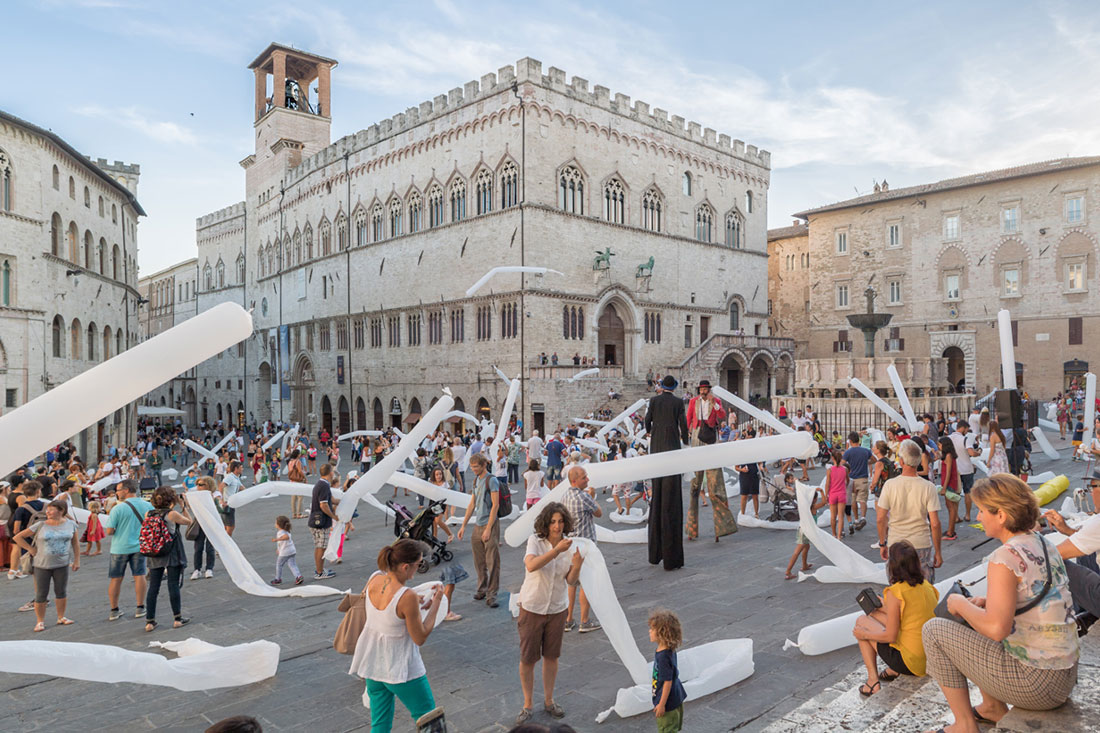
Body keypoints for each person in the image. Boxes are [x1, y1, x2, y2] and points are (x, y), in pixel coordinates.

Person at [922, 474, 1078, 730]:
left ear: (1002, 515)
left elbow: (997, 629)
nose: (978, 517)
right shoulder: (1042, 542)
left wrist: (960, 604)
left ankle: (964, 724)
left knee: (934, 630)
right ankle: (992, 707)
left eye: (983, 510)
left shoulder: (1004, 556)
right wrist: (984, 603)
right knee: (974, 614)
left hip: (1037, 683)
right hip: (1064, 676)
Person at [349, 539, 446, 733]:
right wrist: (436, 604)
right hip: (401, 667)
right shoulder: (406, 596)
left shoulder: (375, 578)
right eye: (418, 565)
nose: (418, 570)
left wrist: (415, 600)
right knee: (428, 718)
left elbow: (388, 607)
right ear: (405, 566)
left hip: (373, 664)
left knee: (380, 724)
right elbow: (420, 637)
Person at [514, 502, 585, 725]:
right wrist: (556, 551)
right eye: (553, 521)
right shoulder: (536, 540)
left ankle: (549, 700)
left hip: (556, 607)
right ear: (546, 522)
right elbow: (531, 565)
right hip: (532, 606)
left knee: (552, 656)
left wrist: (577, 565)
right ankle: (527, 704)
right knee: (528, 657)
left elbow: (571, 581)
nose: (557, 526)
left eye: (561, 521)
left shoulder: (570, 546)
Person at [851, 541, 939, 696]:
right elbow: (910, 619)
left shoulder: (895, 592)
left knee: (861, 623)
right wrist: (884, 608)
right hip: (929, 659)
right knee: (874, 614)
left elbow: (890, 635)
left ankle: (872, 681)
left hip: (910, 662)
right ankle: (892, 670)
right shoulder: (928, 587)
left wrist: (863, 635)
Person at [876, 439, 943, 581]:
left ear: (901, 461)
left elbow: (881, 518)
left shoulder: (890, 485)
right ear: (918, 462)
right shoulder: (928, 487)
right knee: (923, 589)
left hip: (896, 543)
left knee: (898, 588)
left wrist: (883, 543)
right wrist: (938, 551)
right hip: (921, 542)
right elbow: (935, 523)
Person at [12, 499, 79, 632]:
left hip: (62, 563)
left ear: (61, 511)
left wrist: (77, 560)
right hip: (42, 565)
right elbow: (17, 537)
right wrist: (30, 550)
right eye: (47, 509)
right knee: (41, 594)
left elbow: (75, 543)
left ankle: (61, 617)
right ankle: (40, 621)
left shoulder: (71, 524)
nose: (47, 512)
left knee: (61, 591)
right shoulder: (41, 525)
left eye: (51, 509)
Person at [644, 375, 689, 570]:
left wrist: (649, 432)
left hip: (656, 449)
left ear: (662, 386)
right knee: (672, 499)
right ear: (675, 386)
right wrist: (686, 442)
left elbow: (647, 421)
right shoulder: (678, 402)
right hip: (672, 448)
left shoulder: (654, 401)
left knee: (657, 497)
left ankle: (655, 554)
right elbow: (684, 425)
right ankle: (672, 558)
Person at [685, 380, 736, 542]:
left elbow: (722, 416)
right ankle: (692, 529)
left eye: (705, 389)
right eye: (701, 389)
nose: (703, 391)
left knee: (715, 482)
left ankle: (721, 528)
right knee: (695, 481)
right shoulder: (693, 402)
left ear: (709, 390)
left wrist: (715, 405)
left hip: (710, 436)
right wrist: (687, 432)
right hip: (696, 434)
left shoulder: (716, 401)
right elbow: (689, 417)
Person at [143, 487, 192, 632]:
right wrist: (182, 505)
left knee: (153, 587)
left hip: (154, 552)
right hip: (171, 553)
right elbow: (189, 521)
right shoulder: (172, 514)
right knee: (173, 585)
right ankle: (177, 618)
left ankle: (150, 622)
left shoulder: (148, 513)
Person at [104, 479, 154, 621]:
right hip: (140, 545)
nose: (117, 493)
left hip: (119, 547)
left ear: (126, 490)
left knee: (116, 579)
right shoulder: (147, 505)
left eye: (118, 490)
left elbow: (109, 531)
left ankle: (114, 610)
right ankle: (140, 607)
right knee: (139, 575)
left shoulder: (118, 509)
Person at [457, 453, 501, 607]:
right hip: (477, 525)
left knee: (492, 561)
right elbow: (472, 504)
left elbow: (495, 505)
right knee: (479, 561)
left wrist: (489, 528)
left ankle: (492, 595)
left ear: (483, 465)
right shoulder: (476, 480)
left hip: (490, 524)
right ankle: (482, 589)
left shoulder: (492, 480)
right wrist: (463, 525)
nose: (473, 469)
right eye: (471, 467)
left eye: (476, 467)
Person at [561, 466, 601, 633]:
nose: (587, 480)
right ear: (575, 480)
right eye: (584, 478)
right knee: (586, 583)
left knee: (572, 583)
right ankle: (585, 620)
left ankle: (569, 619)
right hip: (586, 545)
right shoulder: (584, 497)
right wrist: (592, 496)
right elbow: (599, 513)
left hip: (571, 544)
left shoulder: (565, 495)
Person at [649, 609, 687, 732]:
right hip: (675, 697)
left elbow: (667, 681)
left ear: (661, 633)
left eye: (652, 629)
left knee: (667, 728)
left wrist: (661, 704)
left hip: (668, 703)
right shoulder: (669, 650)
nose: (649, 631)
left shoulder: (663, 657)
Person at [785, 479, 825, 579]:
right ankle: (788, 571)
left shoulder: (805, 506)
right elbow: (825, 502)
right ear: (815, 499)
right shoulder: (813, 508)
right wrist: (822, 491)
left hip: (802, 530)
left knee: (806, 547)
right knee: (797, 551)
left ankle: (804, 565)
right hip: (806, 532)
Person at [308, 463, 339, 580]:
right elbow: (324, 505)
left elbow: (330, 500)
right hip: (321, 522)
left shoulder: (321, 484)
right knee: (321, 547)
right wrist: (333, 517)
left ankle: (319, 570)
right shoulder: (324, 486)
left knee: (318, 546)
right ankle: (320, 573)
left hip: (315, 521)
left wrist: (343, 501)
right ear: (330, 473)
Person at [948, 421, 979, 522]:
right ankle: (968, 515)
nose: (967, 431)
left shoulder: (948, 438)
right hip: (966, 468)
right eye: (966, 429)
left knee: (955, 494)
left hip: (954, 469)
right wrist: (977, 453)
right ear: (963, 428)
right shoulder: (965, 439)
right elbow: (971, 453)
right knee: (968, 492)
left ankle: (955, 516)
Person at [843, 431, 873, 532]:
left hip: (852, 478)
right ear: (859, 440)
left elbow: (842, 464)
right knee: (863, 499)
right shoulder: (865, 451)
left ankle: (855, 519)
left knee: (853, 500)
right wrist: (867, 462)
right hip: (863, 478)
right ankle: (863, 517)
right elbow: (874, 460)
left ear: (850, 441)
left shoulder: (848, 452)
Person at [190, 476, 219, 580]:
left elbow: (218, 509)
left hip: (211, 524)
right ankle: (197, 569)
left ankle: (209, 568)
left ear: (208, 486)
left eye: (201, 485)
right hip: (199, 524)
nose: (198, 487)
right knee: (198, 548)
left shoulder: (215, 495)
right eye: (197, 484)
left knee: (209, 548)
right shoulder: (196, 496)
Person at [938, 436, 962, 541]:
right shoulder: (949, 455)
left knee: (951, 507)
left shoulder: (948, 456)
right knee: (950, 507)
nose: (938, 446)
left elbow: (948, 473)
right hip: (949, 483)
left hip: (949, 484)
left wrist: (944, 487)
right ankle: (950, 529)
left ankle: (950, 532)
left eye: (940, 444)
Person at [271, 515, 303, 585]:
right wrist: (278, 549)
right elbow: (282, 543)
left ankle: (278, 579)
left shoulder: (281, 532)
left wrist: (276, 539)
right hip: (292, 551)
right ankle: (298, 576)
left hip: (284, 553)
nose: (275, 524)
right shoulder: (287, 530)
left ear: (279, 525)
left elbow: (286, 537)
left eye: (275, 523)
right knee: (292, 564)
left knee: (279, 565)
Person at [825, 451, 849, 540]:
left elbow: (827, 484)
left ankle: (834, 534)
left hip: (833, 493)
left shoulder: (830, 470)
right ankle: (839, 535)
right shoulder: (845, 469)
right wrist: (844, 486)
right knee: (841, 516)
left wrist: (826, 495)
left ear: (832, 458)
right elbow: (848, 480)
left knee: (833, 516)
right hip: (841, 493)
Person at [287, 450, 306, 519]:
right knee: (300, 497)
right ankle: (299, 513)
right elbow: (300, 471)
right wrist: (304, 478)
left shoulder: (290, 462)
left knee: (293, 498)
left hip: (292, 480)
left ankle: (294, 513)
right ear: (297, 455)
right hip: (297, 481)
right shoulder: (298, 461)